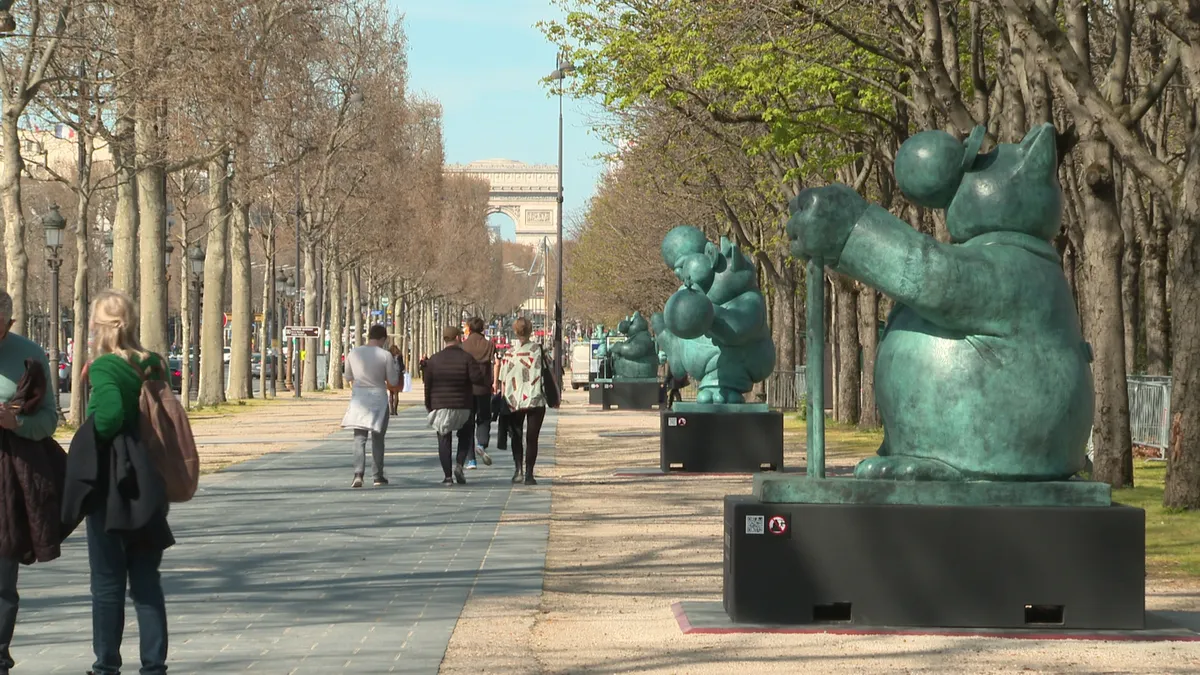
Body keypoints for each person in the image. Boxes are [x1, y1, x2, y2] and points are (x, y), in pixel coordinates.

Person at [77, 289, 174, 675]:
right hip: (151, 481)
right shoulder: (154, 363)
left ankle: (106, 665)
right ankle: (154, 665)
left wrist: (89, 438)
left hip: (112, 484)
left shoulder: (104, 366)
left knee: (107, 582)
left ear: (100, 327)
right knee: (147, 581)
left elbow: (111, 416)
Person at [0, 291, 63, 675]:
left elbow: (50, 420)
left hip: (9, 479)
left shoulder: (29, 355)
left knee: (3, 574)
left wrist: (18, 423)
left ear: (8, 321)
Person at [423, 326, 488, 486]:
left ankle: (447, 476)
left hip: (440, 405)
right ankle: (459, 464)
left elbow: (427, 385)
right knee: (466, 434)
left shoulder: (434, 360)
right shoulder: (466, 358)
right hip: (463, 405)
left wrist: (429, 405)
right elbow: (477, 379)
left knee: (443, 438)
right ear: (458, 338)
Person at [342, 325, 400, 488]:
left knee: (359, 438)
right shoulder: (385, 355)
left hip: (359, 397)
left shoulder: (354, 353)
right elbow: (393, 381)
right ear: (383, 339)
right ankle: (377, 475)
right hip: (378, 397)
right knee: (378, 438)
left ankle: (358, 474)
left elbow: (347, 376)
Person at [499, 317, 548, 485]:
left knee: (516, 435)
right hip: (535, 398)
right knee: (532, 438)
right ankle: (530, 474)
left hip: (514, 399)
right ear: (531, 331)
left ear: (514, 331)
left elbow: (502, 378)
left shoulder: (509, 353)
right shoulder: (538, 350)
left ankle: (518, 469)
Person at [459, 317, 495, 470]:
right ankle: (482, 443)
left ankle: (471, 460)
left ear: (469, 328)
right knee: (484, 418)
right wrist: (495, 383)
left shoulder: (463, 346)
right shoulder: (489, 345)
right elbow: (495, 363)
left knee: (468, 424)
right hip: (484, 388)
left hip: (467, 389)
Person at [387, 345, 406, 415]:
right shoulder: (399, 356)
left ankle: (391, 410)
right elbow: (402, 366)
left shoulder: (389, 356)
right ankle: (395, 410)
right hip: (398, 376)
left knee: (391, 394)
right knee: (396, 393)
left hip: (390, 376)